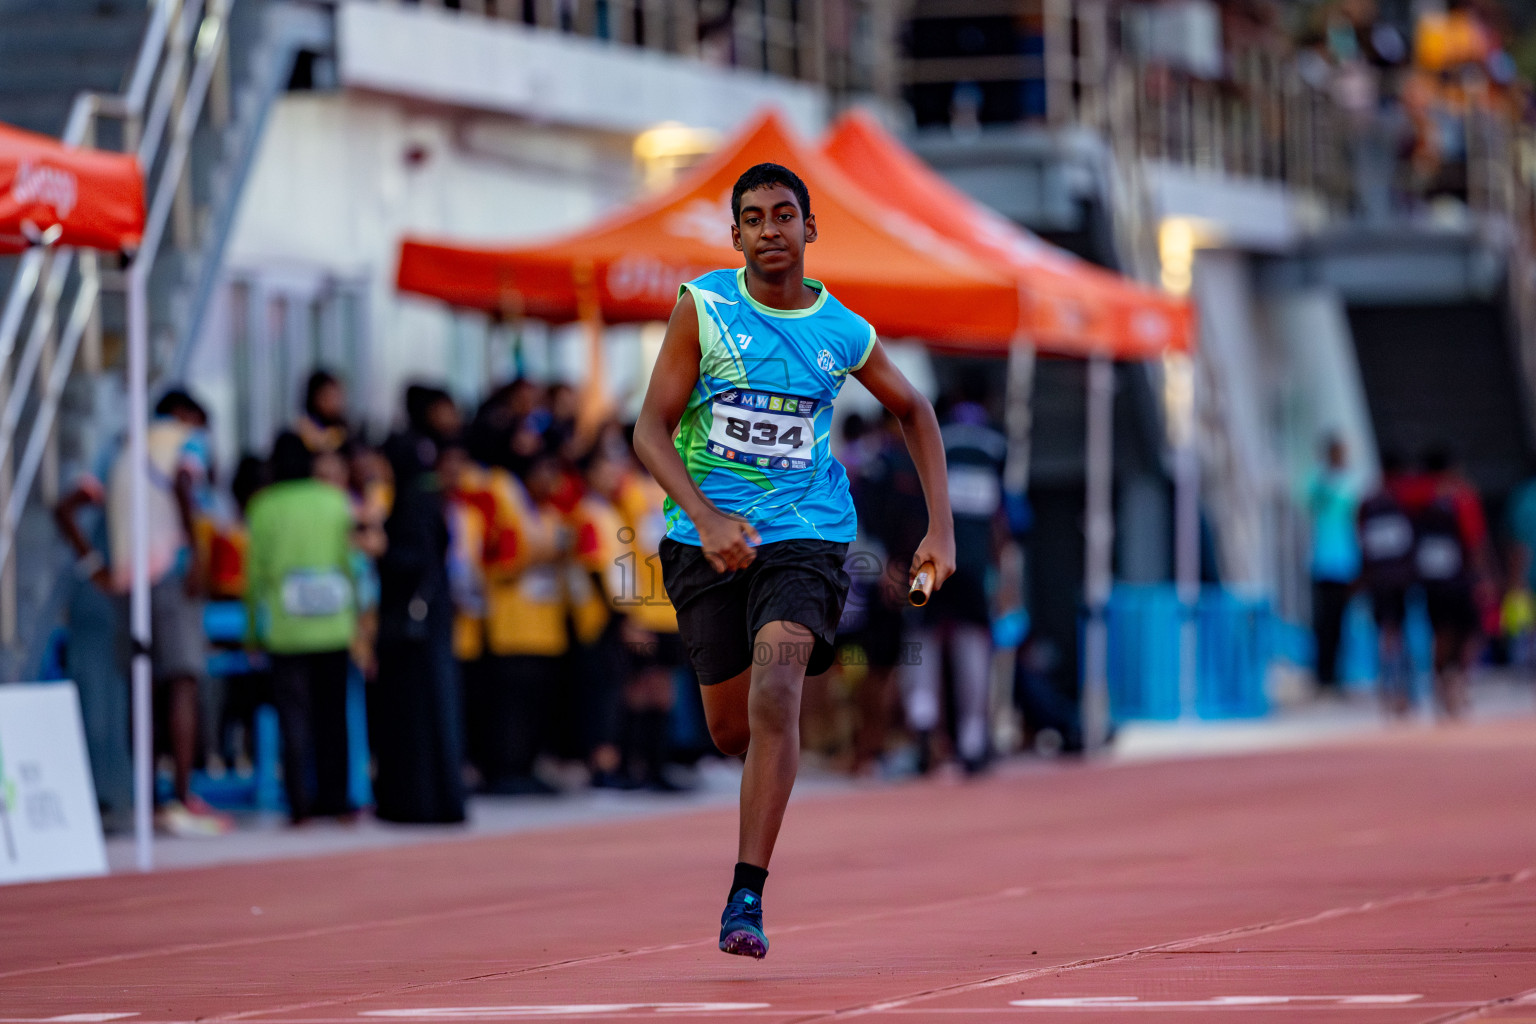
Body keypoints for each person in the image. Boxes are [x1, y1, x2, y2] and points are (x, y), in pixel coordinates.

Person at [632, 162, 955, 959]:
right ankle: (769, 705)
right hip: (703, 539)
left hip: (808, 533)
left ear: (810, 230)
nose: (770, 229)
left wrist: (939, 531)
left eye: (784, 215)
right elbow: (648, 430)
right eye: (753, 218)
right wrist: (705, 518)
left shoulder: (843, 330)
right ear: (735, 235)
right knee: (729, 727)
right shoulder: (704, 308)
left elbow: (914, 410)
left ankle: (746, 895)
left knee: (779, 689)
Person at [106, 388, 231, 836]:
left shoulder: (125, 445)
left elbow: (78, 501)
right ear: (185, 414)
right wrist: (196, 553)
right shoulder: (185, 438)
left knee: (144, 686)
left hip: (129, 578)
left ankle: (148, 800)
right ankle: (181, 797)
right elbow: (185, 479)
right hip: (171, 568)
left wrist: (96, 566)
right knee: (183, 681)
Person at [244, 431, 359, 824]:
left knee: (293, 717)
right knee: (334, 716)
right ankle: (337, 799)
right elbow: (352, 563)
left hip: (286, 627)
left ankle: (299, 804)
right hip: (333, 623)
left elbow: (254, 575)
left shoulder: (264, 507)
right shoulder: (335, 500)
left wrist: (252, 631)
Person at [370, 385, 467, 823]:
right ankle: (437, 797)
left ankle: (415, 800)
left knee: (414, 712)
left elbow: (413, 558)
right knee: (436, 708)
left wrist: (381, 548)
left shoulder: (409, 500)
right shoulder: (429, 497)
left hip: (413, 621)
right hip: (433, 614)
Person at [903, 387, 1008, 775]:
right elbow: (1002, 514)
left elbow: (915, 499)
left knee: (921, 635)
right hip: (975, 559)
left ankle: (923, 721)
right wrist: (1002, 572)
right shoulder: (997, 443)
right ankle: (973, 739)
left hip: (932, 555)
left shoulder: (934, 434)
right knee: (973, 640)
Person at [1357, 453, 1417, 717]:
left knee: (1387, 634)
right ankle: (1400, 690)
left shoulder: (1368, 504)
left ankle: (1389, 689)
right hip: (1398, 579)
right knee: (1399, 634)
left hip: (1380, 579)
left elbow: (1362, 542)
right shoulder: (1405, 501)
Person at [1306, 435, 1360, 696]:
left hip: (1346, 565)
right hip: (1322, 563)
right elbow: (1310, 499)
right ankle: (1323, 677)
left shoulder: (1350, 484)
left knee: (1341, 623)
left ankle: (1336, 676)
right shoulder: (1321, 483)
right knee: (1323, 623)